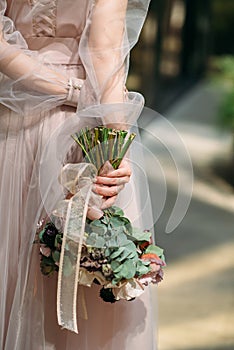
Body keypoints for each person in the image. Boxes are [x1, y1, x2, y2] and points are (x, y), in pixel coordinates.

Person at [0, 0, 156, 349]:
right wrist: (114, 150)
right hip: (81, 128)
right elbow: (105, 54)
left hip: (11, 120)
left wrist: (65, 89)